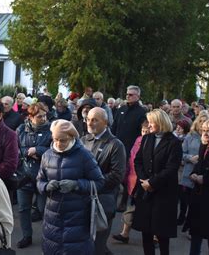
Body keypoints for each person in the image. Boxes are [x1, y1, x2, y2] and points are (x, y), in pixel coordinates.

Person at [37, 119, 104, 255]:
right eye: (55, 139)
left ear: (72, 137)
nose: (58, 144)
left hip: (78, 218)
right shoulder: (47, 155)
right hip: (52, 218)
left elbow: (99, 182)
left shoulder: (84, 155)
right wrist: (46, 186)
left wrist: (76, 185)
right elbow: (39, 181)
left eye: (63, 140)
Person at [132, 109, 182, 255]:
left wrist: (152, 183)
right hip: (145, 193)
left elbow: (171, 168)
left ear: (160, 122)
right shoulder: (147, 138)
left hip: (163, 194)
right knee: (146, 233)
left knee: (162, 235)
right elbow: (138, 161)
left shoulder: (174, 143)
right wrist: (144, 180)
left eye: (152, 122)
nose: (149, 125)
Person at [81, 107, 126, 255]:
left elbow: (116, 175)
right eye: (88, 119)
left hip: (103, 202)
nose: (90, 123)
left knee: (97, 246)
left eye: (94, 120)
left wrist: (91, 185)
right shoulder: (83, 140)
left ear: (105, 122)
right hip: (82, 201)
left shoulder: (116, 145)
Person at [16, 103, 52, 249]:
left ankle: (48, 237)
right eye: (39, 116)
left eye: (44, 115)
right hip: (24, 175)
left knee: (45, 209)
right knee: (23, 208)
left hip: (44, 176)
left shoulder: (51, 130)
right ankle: (27, 236)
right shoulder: (20, 130)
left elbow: (55, 149)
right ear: (30, 117)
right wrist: (27, 152)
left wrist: (38, 149)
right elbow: (15, 149)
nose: (43, 118)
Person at [112, 120, 150, 244]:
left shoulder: (152, 143)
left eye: (147, 131)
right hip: (133, 179)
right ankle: (125, 233)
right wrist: (126, 174)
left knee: (149, 210)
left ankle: (155, 237)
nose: (144, 133)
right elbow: (131, 158)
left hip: (145, 181)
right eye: (143, 131)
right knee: (130, 207)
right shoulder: (138, 140)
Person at [111, 85, 147, 212]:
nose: (128, 96)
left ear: (137, 96)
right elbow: (114, 127)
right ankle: (112, 199)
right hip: (116, 147)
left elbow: (141, 133)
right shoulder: (121, 108)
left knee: (127, 176)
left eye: (131, 94)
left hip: (131, 149)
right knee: (114, 173)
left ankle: (124, 201)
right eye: (127, 94)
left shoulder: (142, 113)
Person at [188, 118, 209, 255]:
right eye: (203, 130)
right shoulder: (204, 146)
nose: (205, 134)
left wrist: (204, 179)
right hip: (198, 198)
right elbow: (199, 165)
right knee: (196, 234)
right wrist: (194, 174)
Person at [178, 111, 209, 228]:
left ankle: (190, 222)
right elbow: (181, 153)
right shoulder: (190, 136)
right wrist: (190, 158)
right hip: (187, 171)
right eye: (200, 121)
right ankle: (182, 216)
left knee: (195, 200)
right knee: (184, 198)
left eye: (205, 121)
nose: (202, 124)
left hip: (201, 173)